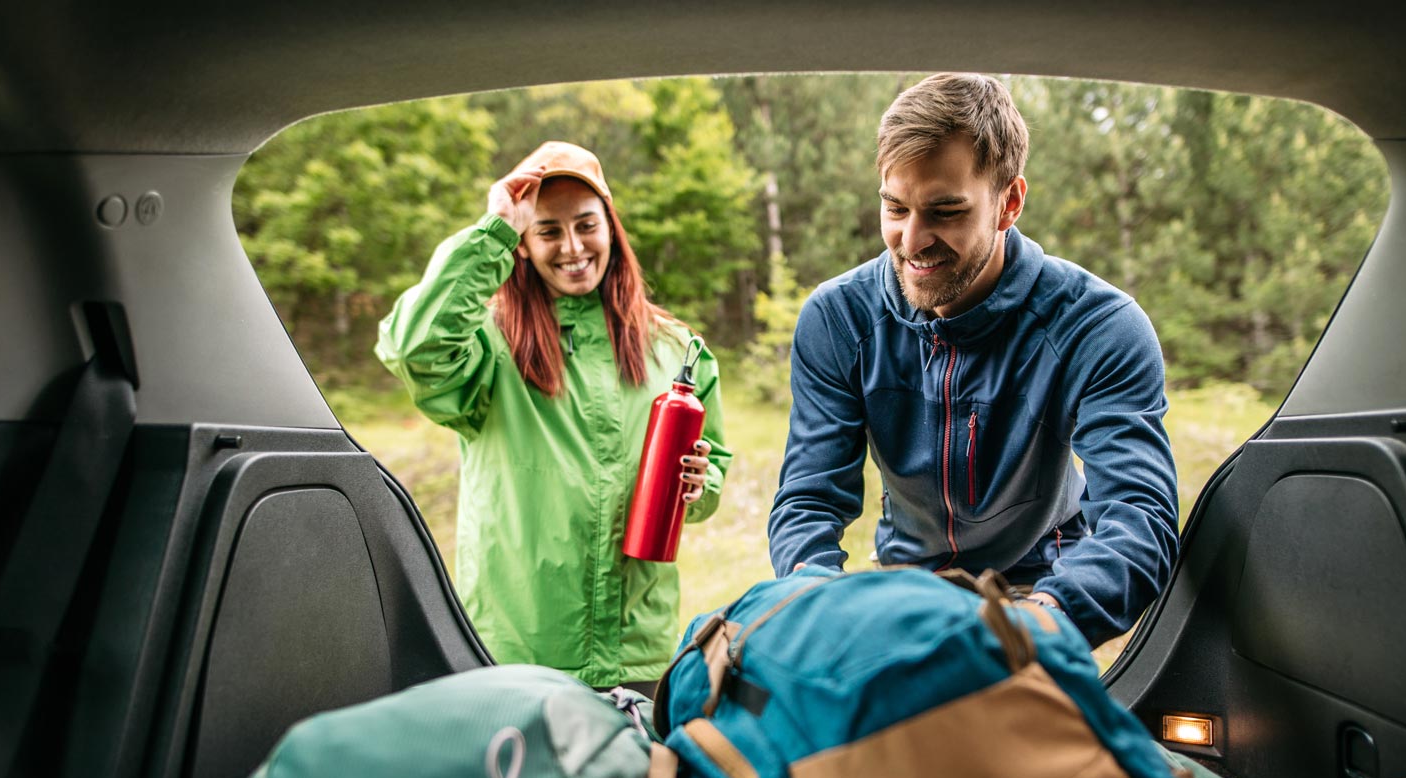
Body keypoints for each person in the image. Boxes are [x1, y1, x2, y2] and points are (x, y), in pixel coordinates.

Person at [767, 74, 1177, 648]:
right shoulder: (838, 319)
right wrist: (817, 602)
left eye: (945, 211)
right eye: (895, 207)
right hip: (908, 586)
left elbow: (1138, 517)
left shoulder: (1098, 325)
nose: (911, 241)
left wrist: (1035, 625)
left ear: (1009, 203)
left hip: (1046, 586)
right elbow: (810, 498)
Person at [378, 141, 732, 693]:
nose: (572, 247)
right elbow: (413, 346)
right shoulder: (489, 344)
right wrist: (494, 229)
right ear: (522, 244)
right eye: (547, 231)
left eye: (586, 225)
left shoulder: (675, 348)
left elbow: (712, 474)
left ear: (611, 227)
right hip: (516, 648)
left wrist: (697, 484)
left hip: (638, 650)